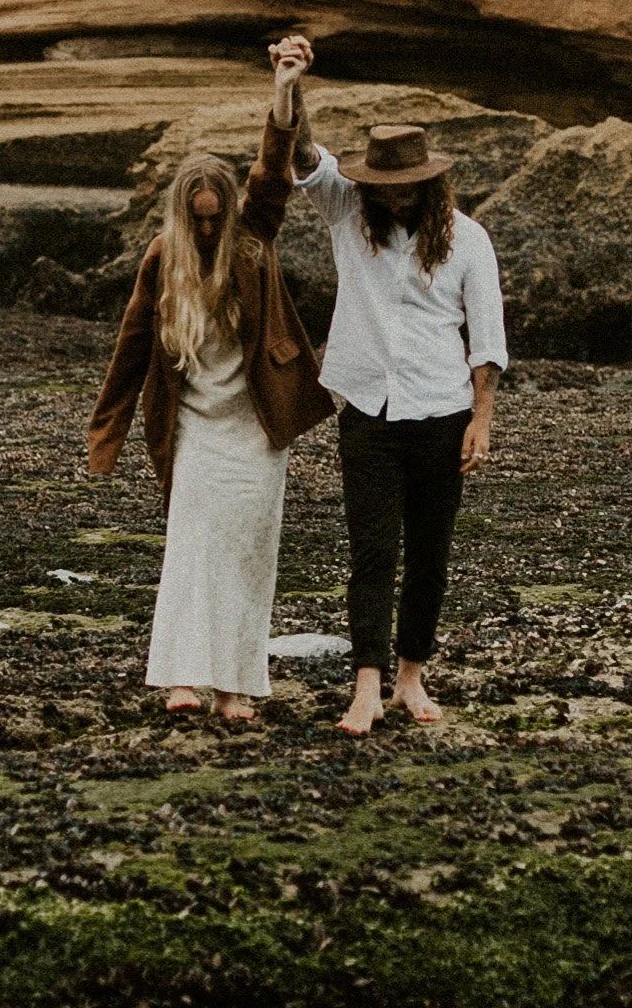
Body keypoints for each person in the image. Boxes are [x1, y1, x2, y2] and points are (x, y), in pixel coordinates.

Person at [87, 39, 332, 721]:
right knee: (192, 548)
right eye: (194, 218)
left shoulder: (253, 237)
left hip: (256, 425)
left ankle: (233, 686)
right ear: (179, 213)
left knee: (248, 553)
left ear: (227, 210)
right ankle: (181, 680)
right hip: (193, 425)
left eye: (212, 217)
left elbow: (273, 169)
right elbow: (132, 347)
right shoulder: (162, 256)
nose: (204, 227)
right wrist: (106, 434)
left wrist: (283, 89)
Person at [290, 55, 508, 736]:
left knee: (429, 555)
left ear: (429, 183)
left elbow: (487, 338)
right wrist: (288, 85)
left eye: (404, 190)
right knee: (372, 551)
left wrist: (481, 420)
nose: (392, 200)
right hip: (367, 412)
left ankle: (411, 675)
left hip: (443, 413)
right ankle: (366, 686)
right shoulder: (346, 213)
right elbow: (301, 154)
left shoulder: (468, 240)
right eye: (382, 189)